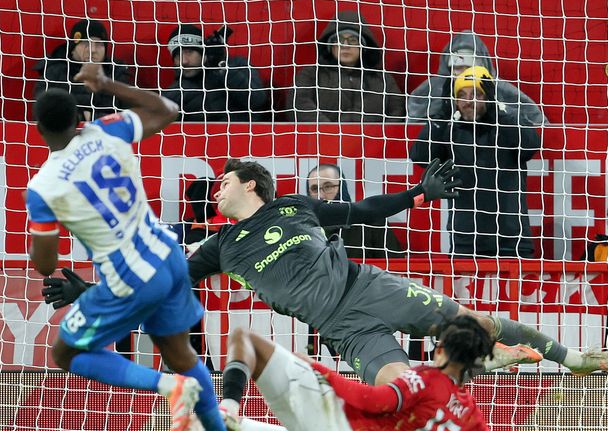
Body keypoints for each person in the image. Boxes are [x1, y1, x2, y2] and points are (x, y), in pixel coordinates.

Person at [46, 158, 608, 387]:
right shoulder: (217, 247)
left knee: (473, 318)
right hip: (340, 330)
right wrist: (87, 290)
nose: (215, 187)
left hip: (366, 287)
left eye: (225, 180)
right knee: (401, 389)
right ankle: (476, 360)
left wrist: (417, 194)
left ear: (251, 186)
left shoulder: (295, 206)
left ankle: (573, 358)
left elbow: (361, 211)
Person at [28, 63, 242, 431]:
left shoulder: (43, 187)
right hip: (169, 253)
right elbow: (167, 109)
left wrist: (42, 236)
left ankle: (167, 387)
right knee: (181, 352)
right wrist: (107, 84)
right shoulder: (104, 132)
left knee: (66, 352)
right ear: (80, 119)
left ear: (40, 129)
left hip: (129, 273)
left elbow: (46, 263)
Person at [181, 315, 531, 431]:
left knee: (246, 339)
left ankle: (228, 408)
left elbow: (375, 400)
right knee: (206, 430)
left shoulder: (423, 379)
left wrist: (321, 371)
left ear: (440, 350)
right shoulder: (468, 414)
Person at [409, 66, 540, 258]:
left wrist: (498, 112)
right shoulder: (448, 130)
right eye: (461, 94)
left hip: (513, 242)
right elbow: (420, 156)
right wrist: (442, 114)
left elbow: (530, 146)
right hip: (466, 243)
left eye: (477, 94)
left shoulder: (507, 123)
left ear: (489, 96)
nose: (468, 100)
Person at [407, 31, 546, 127]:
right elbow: (410, 129)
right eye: (457, 68)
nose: (463, 74)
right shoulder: (430, 90)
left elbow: (538, 123)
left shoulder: (501, 89)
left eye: (468, 67)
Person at [289, 11, 406, 123]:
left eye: (353, 40)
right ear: (330, 46)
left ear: (363, 47)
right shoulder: (311, 75)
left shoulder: (383, 80)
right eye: (339, 40)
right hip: (320, 142)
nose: (345, 46)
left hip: (375, 142)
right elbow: (298, 103)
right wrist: (330, 131)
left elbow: (397, 110)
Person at [162, 24, 270, 122]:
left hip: (247, 139)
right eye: (177, 56)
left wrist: (221, 67)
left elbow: (257, 100)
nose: (184, 61)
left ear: (203, 52)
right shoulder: (175, 92)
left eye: (189, 52)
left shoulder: (238, 65)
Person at [33, 19, 132, 120]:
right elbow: (42, 114)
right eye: (86, 43)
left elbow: (128, 118)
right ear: (73, 47)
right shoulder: (54, 72)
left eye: (99, 44)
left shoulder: (117, 73)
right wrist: (80, 118)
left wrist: (90, 117)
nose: (92, 50)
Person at [306, 164, 404, 260]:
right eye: (314, 189)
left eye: (328, 187)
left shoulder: (373, 223)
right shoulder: (303, 227)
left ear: (342, 188)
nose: (321, 195)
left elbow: (395, 269)